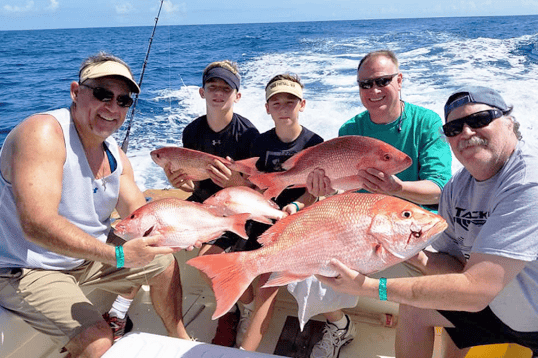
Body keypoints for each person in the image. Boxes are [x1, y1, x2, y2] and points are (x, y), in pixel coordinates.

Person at [317, 86, 538, 357]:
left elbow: (476, 289)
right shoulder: (458, 188)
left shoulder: (528, 181)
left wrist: (371, 288)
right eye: (454, 128)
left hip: (532, 323)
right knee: (417, 308)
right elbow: (455, 266)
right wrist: (410, 253)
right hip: (495, 310)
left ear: (508, 122)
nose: (466, 133)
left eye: (479, 120)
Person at [0, 52, 192, 358]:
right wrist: (117, 254)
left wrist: (185, 224)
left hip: (85, 259)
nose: (112, 107)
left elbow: (138, 212)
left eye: (123, 100)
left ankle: (182, 339)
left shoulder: (114, 151)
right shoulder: (43, 133)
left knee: (163, 263)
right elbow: (36, 224)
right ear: (76, 92)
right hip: (28, 268)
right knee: (99, 340)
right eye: (103, 94)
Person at [304, 49, 452, 358]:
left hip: (415, 233)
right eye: (365, 84)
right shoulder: (350, 130)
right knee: (305, 268)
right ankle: (340, 325)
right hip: (366, 230)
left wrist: (398, 187)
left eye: (382, 81)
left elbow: (439, 189)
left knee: (423, 296)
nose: (373, 91)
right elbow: (344, 196)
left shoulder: (427, 123)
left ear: (400, 80)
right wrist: (323, 190)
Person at [164, 60, 260, 347]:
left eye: (226, 88)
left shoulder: (249, 135)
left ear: (237, 95)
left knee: (210, 259)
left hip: (238, 209)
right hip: (203, 202)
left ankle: (243, 308)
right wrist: (181, 183)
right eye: (212, 87)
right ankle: (121, 309)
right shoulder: (192, 132)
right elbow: (193, 184)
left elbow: (259, 191)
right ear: (201, 92)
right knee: (154, 232)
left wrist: (234, 184)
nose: (219, 93)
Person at [236, 73, 323, 351]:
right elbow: (252, 183)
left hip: (299, 224)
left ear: (302, 104)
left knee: (265, 282)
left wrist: (295, 206)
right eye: (276, 102)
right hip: (263, 221)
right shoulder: (259, 144)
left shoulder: (316, 143)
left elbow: (315, 192)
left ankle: (244, 351)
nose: (283, 107)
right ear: (267, 108)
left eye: (290, 101)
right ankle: (245, 312)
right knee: (234, 268)